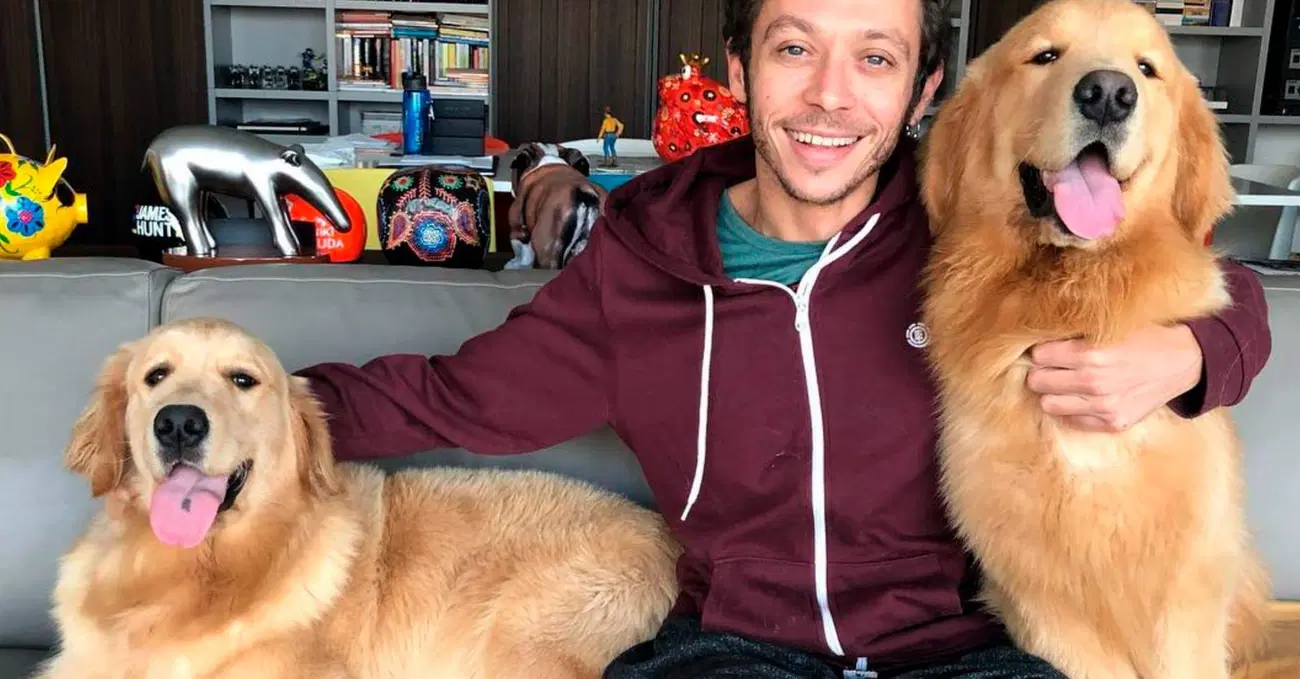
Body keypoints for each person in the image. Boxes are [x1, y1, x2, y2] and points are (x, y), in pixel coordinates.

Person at [295, 0, 1273, 676]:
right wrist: (242, 411)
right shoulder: (637, 267)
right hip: (730, 649)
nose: (829, 96)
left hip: (960, 651)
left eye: (875, 58)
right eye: (794, 48)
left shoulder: (970, 224)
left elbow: (1206, 282)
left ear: (923, 88)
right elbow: (444, 396)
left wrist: (1192, 356)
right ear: (739, 69)